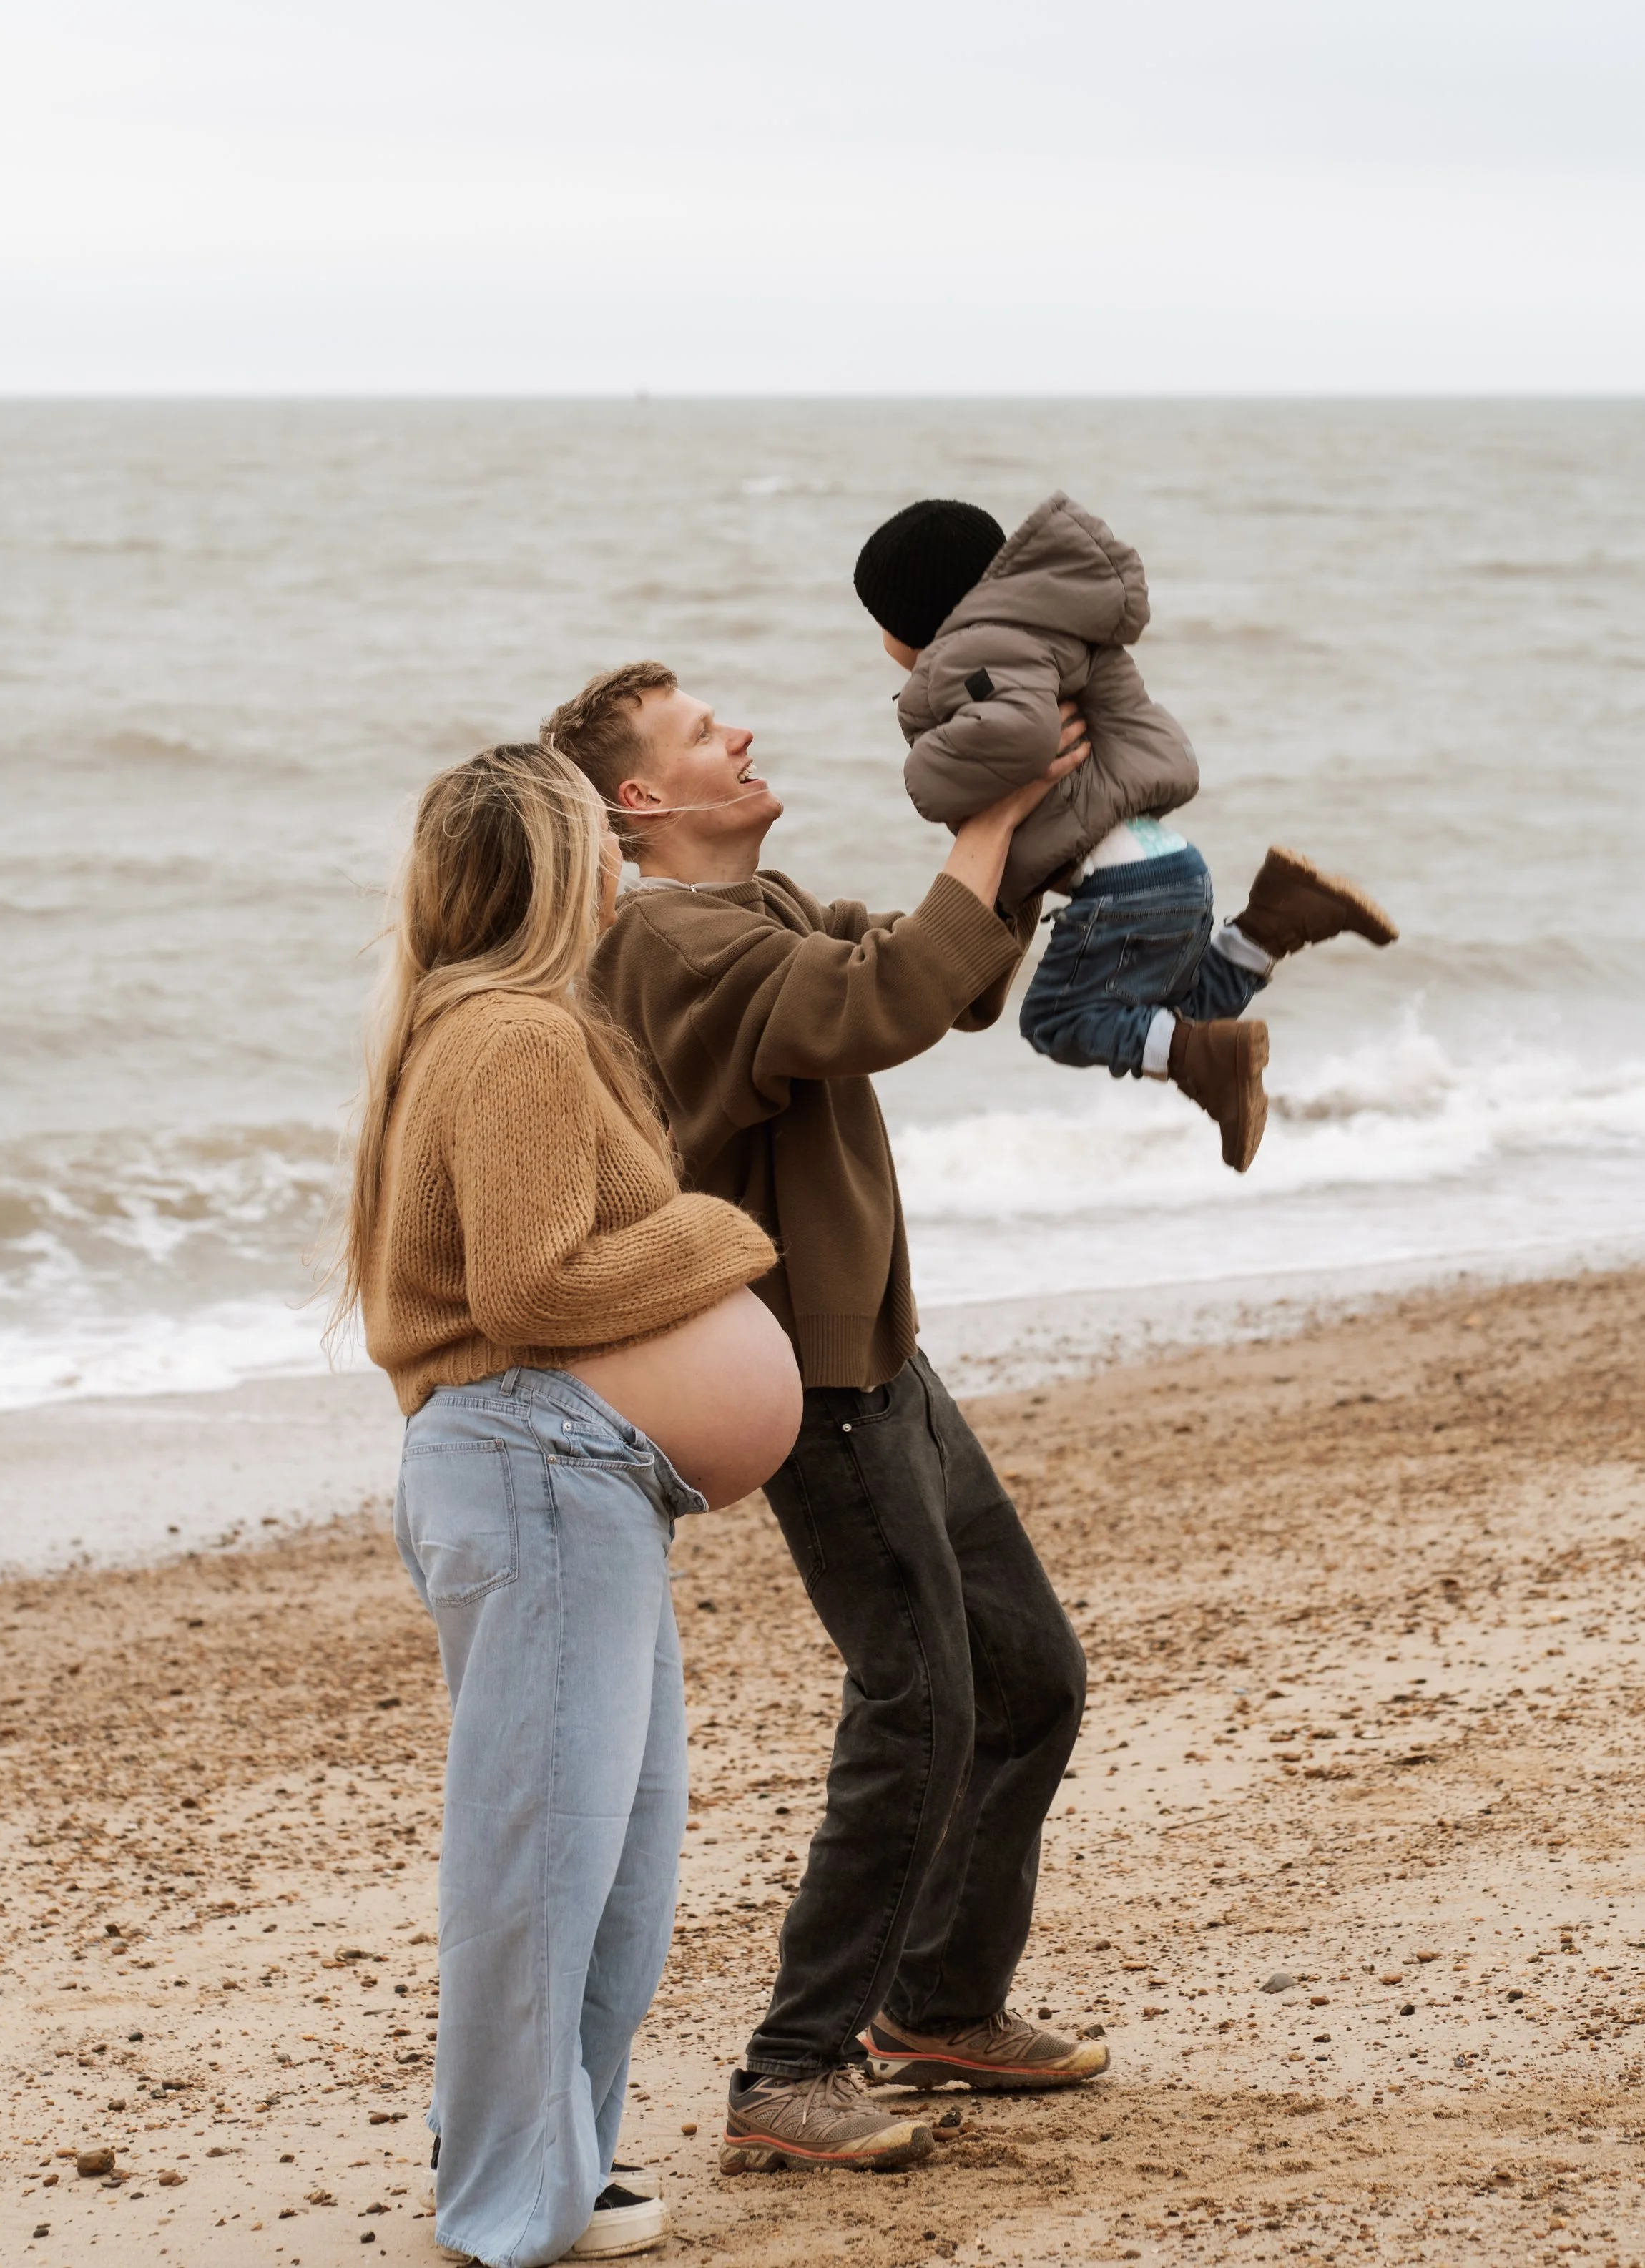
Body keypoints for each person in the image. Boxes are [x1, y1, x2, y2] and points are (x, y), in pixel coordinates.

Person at [543, 664, 1108, 2180]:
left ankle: (935, 2006)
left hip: (879, 1357)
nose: (739, 731)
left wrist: (1035, 813)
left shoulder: (764, 901)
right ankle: (791, 2068)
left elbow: (946, 974)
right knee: (917, 1696)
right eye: (699, 733)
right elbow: (878, 1005)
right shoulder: (663, 943)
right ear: (640, 803)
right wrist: (980, 820)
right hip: (799, 1380)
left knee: (1030, 1677)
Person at [328, 743, 802, 2266]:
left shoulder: (486, 1029)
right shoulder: (514, 1037)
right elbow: (529, 1288)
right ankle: (509, 2203)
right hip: (534, 1467)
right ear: (555, 868)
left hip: (570, 1480)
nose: (622, 859)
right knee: (545, 1853)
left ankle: (552, 2156)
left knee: (613, 1855)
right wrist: (722, 1238)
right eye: (599, 839)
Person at [854, 493, 1400, 1172]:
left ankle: (1216, 1051)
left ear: (915, 619)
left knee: (1058, 1021)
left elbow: (1025, 732)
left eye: (878, 622)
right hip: (1165, 867)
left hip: (1122, 882)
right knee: (1183, 1017)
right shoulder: (1040, 629)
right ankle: (1273, 920)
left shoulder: (972, 651)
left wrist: (925, 770)